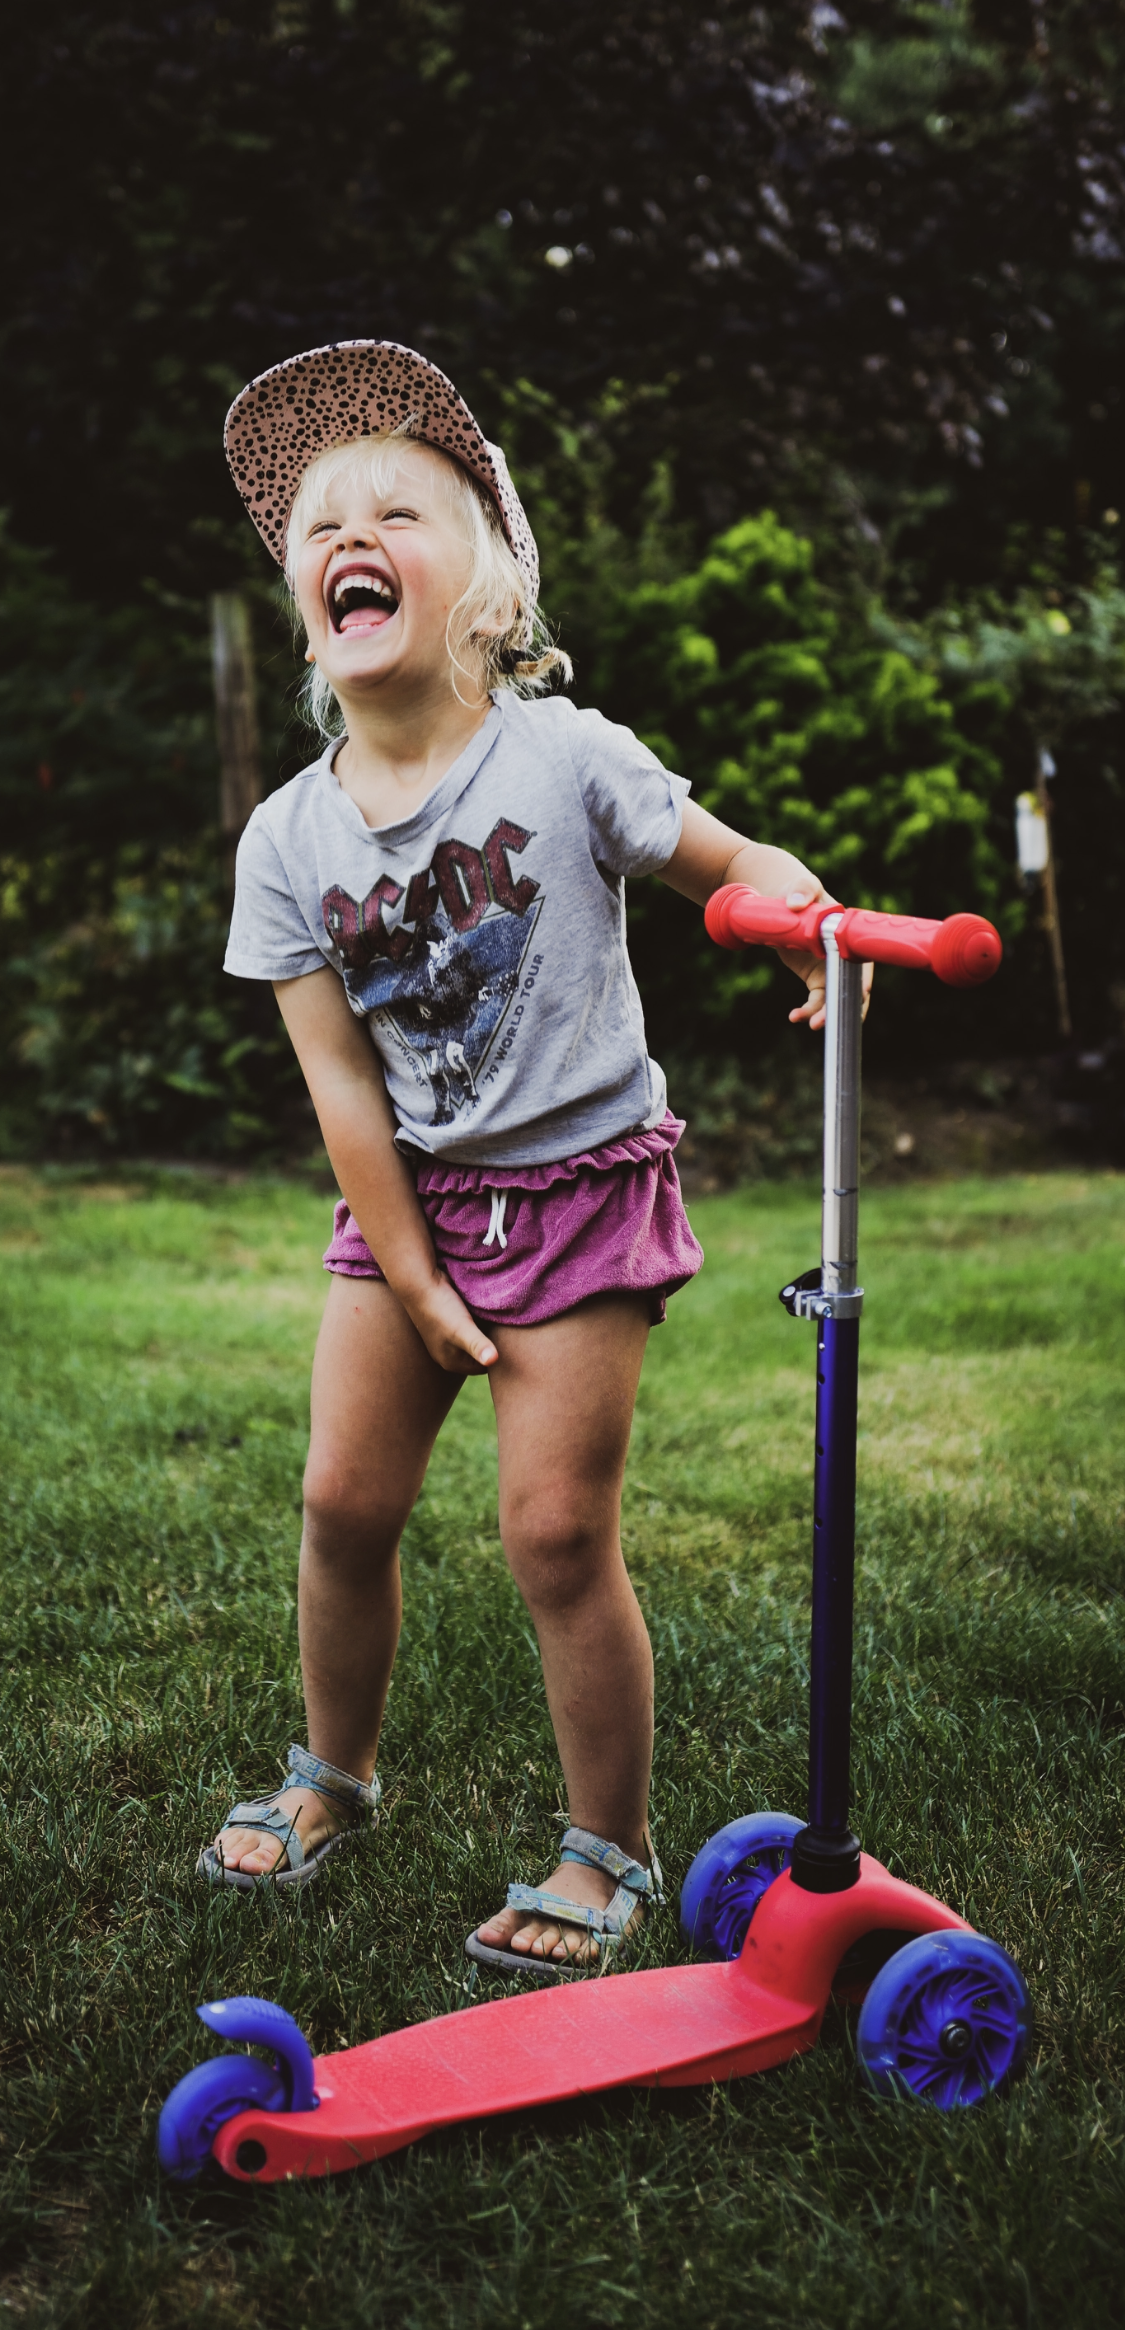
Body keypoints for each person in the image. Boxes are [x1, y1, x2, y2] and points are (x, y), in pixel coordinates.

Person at [205, 340, 843, 1977]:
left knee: (556, 1535)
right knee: (342, 1501)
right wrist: (412, 1273)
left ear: (486, 591)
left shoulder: (565, 758)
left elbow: (729, 860)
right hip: (408, 1200)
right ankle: (333, 1772)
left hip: (578, 1190)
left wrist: (800, 919)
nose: (351, 536)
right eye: (322, 526)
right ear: (307, 609)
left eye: (397, 514)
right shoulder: (287, 840)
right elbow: (342, 1084)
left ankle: (605, 1848)